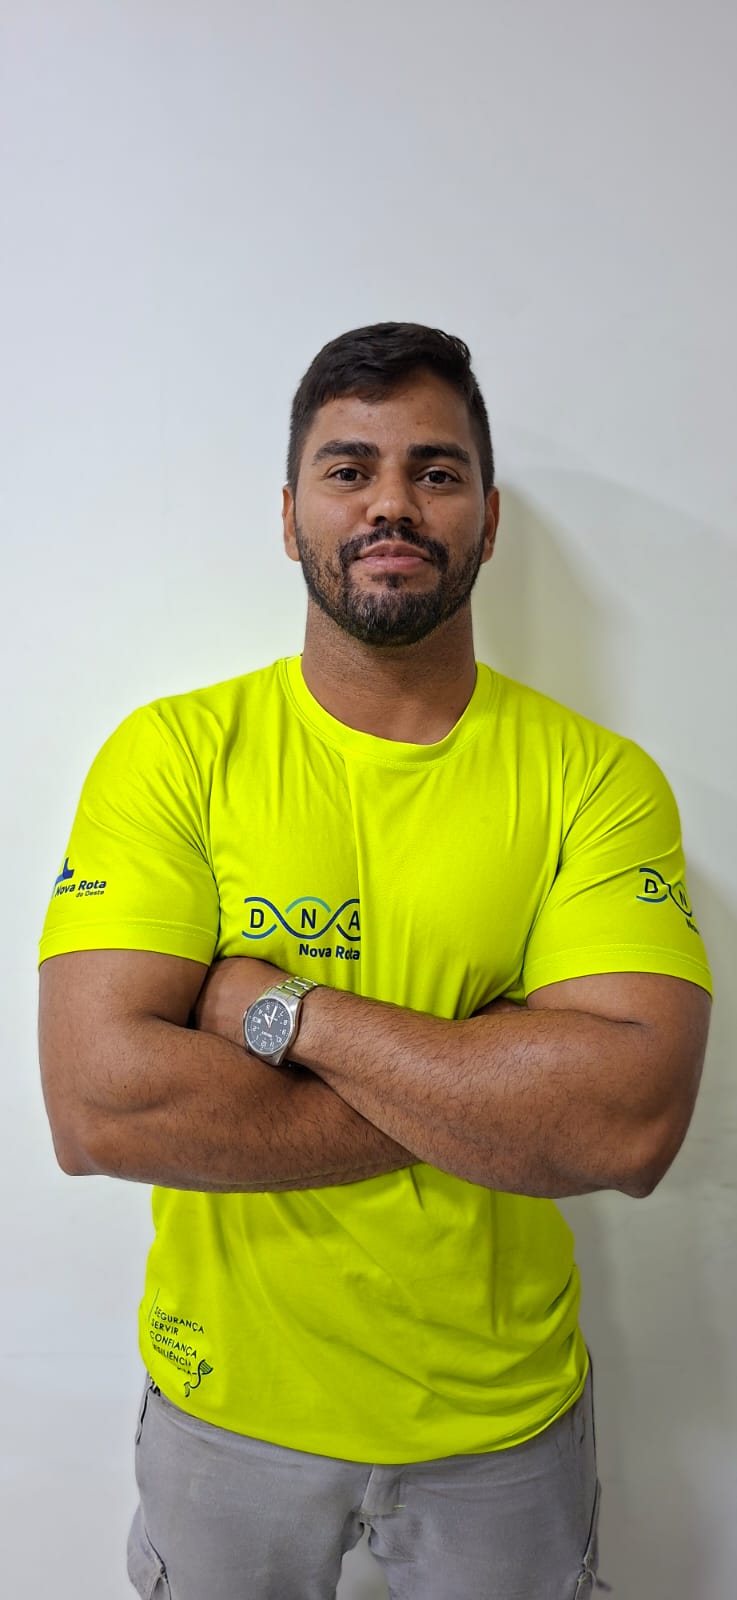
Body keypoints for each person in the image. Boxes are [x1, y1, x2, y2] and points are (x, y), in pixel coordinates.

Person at [38, 321, 712, 1600]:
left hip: (500, 1428)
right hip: (224, 1407)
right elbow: (99, 1107)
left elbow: (623, 1126)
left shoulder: (594, 782)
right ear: (289, 514)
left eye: (434, 471)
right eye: (347, 469)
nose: (389, 502)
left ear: (488, 520)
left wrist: (277, 1009)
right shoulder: (173, 756)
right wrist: (490, 1075)